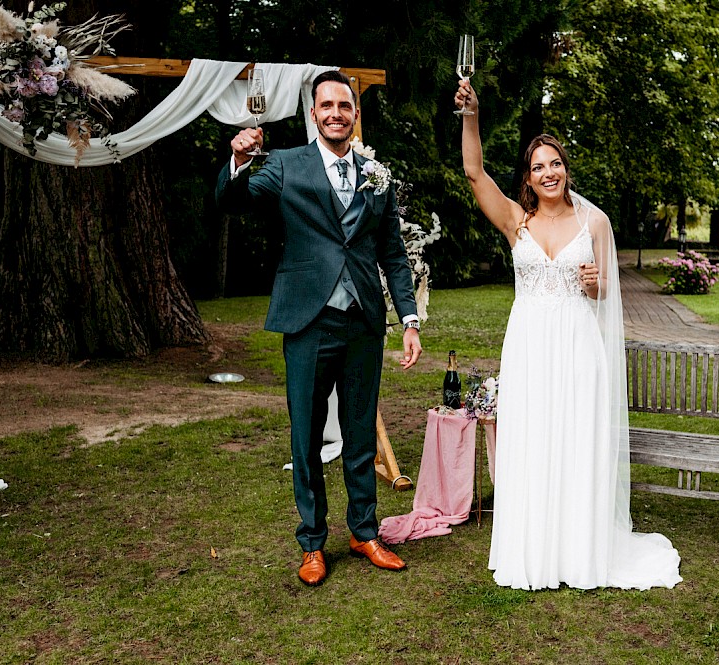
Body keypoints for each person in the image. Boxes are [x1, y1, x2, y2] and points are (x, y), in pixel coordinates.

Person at [455, 79, 682, 590]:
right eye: (538, 167)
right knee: (532, 441)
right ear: (528, 179)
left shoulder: (594, 223)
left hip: (579, 346)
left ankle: (578, 551)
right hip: (529, 347)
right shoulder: (516, 222)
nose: (548, 172)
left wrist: (596, 284)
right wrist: (471, 115)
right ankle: (535, 550)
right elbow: (473, 172)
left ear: (565, 169)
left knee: (576, 442)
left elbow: (605, 297)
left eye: (555, 163)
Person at [215, 69, 422, 587]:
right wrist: (239, 160)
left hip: (364, 323)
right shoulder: (286, 164)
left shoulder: (376, 173)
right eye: (326, 105)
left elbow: (393, 252)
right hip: (309, 320)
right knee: (306, 436)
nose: (335, 114)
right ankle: (312, 542)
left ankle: (364, 532)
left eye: (344, 106)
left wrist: (409, 318)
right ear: (313, 114)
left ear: (355, 114)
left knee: (360, 432)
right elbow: (233, 202)